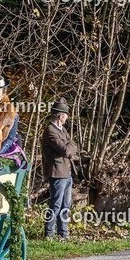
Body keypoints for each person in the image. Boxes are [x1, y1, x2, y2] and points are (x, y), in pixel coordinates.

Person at [42, 99, 79, 240]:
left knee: (66, 205)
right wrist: (69, 145)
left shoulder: (62, 130)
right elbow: (66, 150)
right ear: (59, 115)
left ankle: (63, 234)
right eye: (65, 115)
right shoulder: (50, 131)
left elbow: (73, 144)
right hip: (57, 172)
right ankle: (49, 234)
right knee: (55, 205)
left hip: (66, 172)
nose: (67, 117)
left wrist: (70, 145)